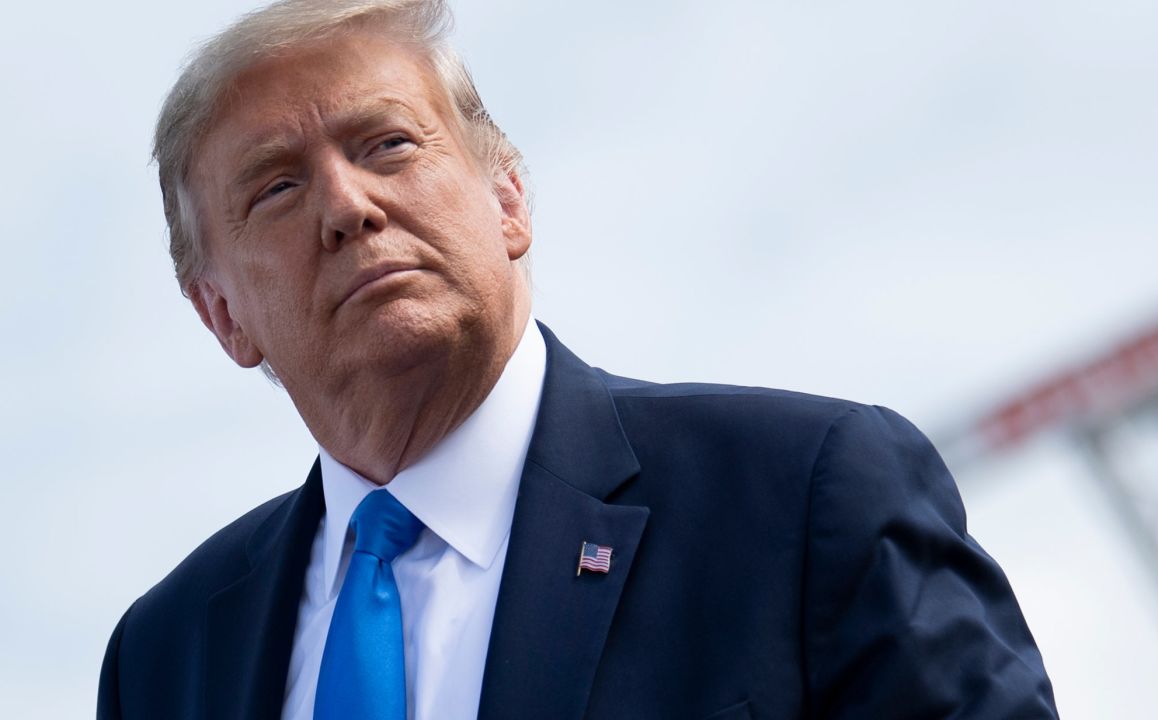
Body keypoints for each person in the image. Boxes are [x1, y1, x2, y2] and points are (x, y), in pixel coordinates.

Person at [98, 0, 1059, 718]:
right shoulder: (166, 658)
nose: (347, 206)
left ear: (508, 198)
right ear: (221, 313)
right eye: (275, 188)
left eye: (388, 143)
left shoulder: (805, 491)